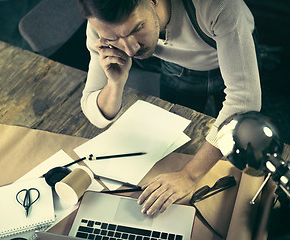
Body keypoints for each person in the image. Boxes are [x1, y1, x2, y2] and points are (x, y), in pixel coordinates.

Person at [76, 0, 261, 215]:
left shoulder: (220, 6)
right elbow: (94, 113)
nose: (131, 49)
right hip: (179, 69)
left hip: (233, 51)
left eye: (137, 29)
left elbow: (245, 101)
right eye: (113, 39)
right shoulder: (102, 24)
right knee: (184, 137)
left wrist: (189, 176)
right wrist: (115, 84)